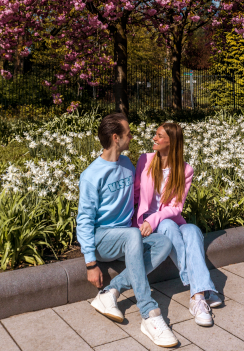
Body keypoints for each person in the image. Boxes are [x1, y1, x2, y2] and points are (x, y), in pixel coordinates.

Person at [76, 113, 179, 348]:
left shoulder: (126, 164)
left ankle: (110, 292)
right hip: (102, 238)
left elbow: (138, 197)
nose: (132, 137)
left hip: (126, 235)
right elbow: (84, 221)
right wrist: (91, 264)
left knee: (163, 242)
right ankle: (150, 314)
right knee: (132, 235)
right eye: (128, 133)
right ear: (115, 138)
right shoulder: (92, 175)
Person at [133, 122, 222, 327]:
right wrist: (138, 223)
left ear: (171, 142)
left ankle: (196, 294)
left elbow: (176, 208)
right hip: (149, 224)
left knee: (192, 230)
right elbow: (136, 195)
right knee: (167, 226)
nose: (154, 138)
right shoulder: (145, 160)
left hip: (169, 219)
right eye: (155, 134)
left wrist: (156, 218)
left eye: (159, 136)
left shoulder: (185, 169)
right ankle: (200, 292)